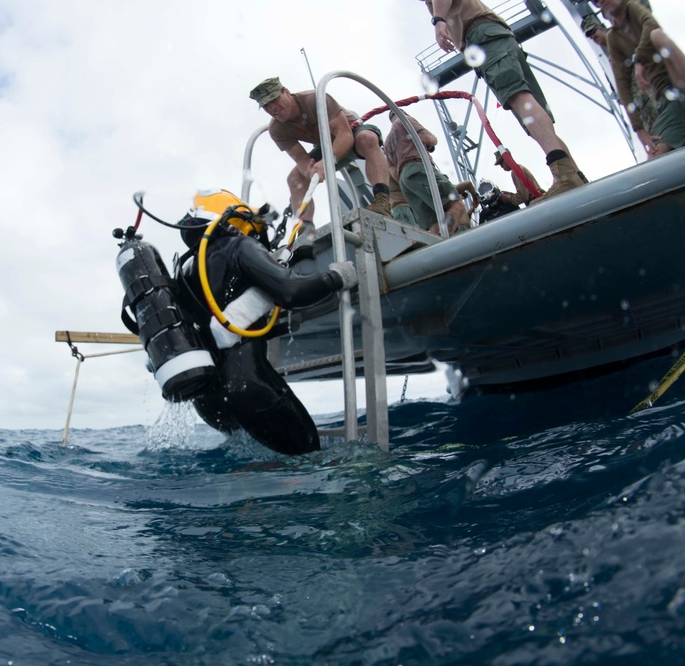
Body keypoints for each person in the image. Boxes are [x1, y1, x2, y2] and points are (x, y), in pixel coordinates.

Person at [174, 189, 358, 456]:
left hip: (208, 402)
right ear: (235, 217)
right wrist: (336, 278)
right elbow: (290, 291)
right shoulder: (238, 247)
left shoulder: (186, 268)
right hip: (250, 388)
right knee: (309, 461)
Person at [422, 0, 586, 201]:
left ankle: (565, 175)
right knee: (532, 119)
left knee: (518, 98)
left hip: (482, 37)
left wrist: (438, 21)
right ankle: (574, 176)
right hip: (493, 35)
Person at [249, 77, 393, 223]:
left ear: (286, 92)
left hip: (351, 132)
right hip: (325, 147)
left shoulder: (315, 99)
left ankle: (382, 202)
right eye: (266, 106)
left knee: (367, 139)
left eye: (274, 99)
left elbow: (345, 135)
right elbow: (300, 158)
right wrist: (310, 171)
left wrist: (326, 163)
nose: (272, 108)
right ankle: (304, 229)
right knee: (294, 179)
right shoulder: (277, 129)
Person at [595, 0, 685, 157]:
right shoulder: (613, 38)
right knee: (655, 157)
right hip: (665, 103)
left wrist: (638, 59)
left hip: (681, 85)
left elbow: (651, 24)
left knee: (657, 36)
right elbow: (621, 83)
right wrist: (639, 130)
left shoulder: (632, 8)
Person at [382, 111, 469, 236]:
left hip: (405, 181)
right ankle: (447, 240)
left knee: (433, 223)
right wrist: (432, 142)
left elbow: (393, 172)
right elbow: (428, 138)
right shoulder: (405, 120)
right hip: (417, 168)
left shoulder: (387, 143)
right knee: (457, 204)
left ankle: (438, 248)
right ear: (402, 112)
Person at [580, 13, 659, 139]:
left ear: (601, 28)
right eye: (589, 36)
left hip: (654, 97)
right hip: (643, 111)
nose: (593, 37)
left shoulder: (621, 37)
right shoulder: (609, 60)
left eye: (593, 31)